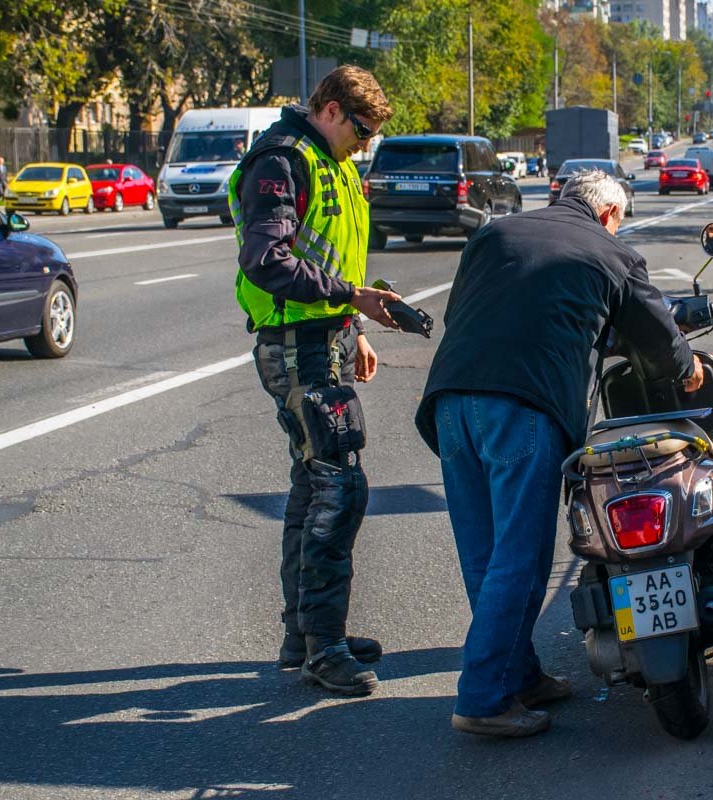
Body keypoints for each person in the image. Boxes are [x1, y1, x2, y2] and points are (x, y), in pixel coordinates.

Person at [414, 169, 704, 738]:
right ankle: (483, 698)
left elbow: (465, 313)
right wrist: (686, 367)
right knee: (520, 556)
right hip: (523, 405)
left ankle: (516, 675)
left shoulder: (495, 233)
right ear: (609, 214)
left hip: (450, 400)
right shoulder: (613, 253)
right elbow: (657, 338)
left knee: (485, 554)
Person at [230, 65, 402, 696]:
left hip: (324, 337)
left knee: (314, 484)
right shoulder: (281, 160)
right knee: (340, 487)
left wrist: (353, 325)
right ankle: (323, 648)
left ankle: (304, 634)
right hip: (295, 345)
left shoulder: (334, 162)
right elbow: (266, 259)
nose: (365, 144)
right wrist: (351, 299)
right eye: (361, 131)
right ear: (331, 109)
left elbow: (333, 253)